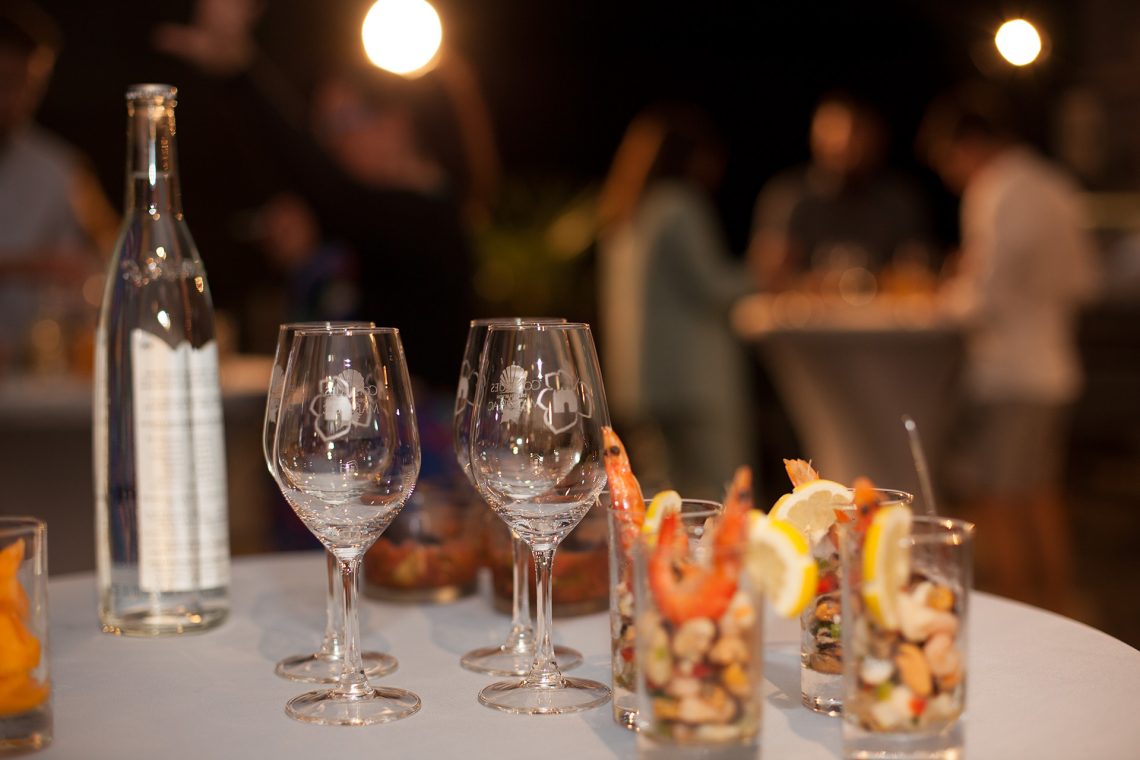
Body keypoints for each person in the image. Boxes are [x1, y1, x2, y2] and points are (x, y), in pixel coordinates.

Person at [154, 0, 499, 391]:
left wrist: (239, 70)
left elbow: (320, 182)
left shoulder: (427, 215)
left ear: (396, 122)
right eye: (325, 131)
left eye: (344, 122)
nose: (334, 145)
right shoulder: (366, 222)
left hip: (422, 438)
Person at [918, 83, 1102, 612]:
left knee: (996, 498)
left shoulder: (994, 190)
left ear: (967, 146)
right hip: (1056, 365)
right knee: (1041, 493)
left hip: (1007, 372)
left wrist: (946, 294)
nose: (952, 174)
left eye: (948, 160)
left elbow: (982, 298)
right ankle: (1060, 602)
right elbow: (1088, 280)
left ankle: (1020, 610)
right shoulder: (1055, 183)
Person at [596, 104, 755, 500]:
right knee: (723, 494)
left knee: (659, 497)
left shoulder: (625, 214)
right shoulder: (679, 205)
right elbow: (713, 287)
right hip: (695, 383)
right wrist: (765, 275)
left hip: (641, 383)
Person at [0, 0, 117, 373]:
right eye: (6, 82)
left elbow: (112, 256)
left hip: (33, 379)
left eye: (31, 87)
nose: (17, 100)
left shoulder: (61, 169)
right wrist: (28, 266)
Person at [748, 93, 934, 294]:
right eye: (833, 133)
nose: (845, 143)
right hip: (808, 320)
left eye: (856, 132)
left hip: (881, 320)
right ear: (815, 137)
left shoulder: (898, 200)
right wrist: (771, 266)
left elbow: (919, 266)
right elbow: (765, 270)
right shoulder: (787, 198)